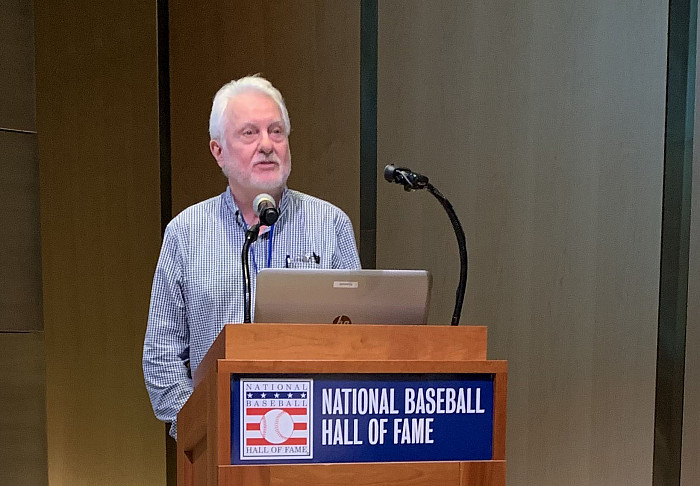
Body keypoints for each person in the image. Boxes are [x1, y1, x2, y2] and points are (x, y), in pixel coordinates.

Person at [143, 75, 361, 438]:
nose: (266, 145)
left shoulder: (331, 224)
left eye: (276, 131)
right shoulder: (185, 234)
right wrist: (203, 427)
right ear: (218, 151)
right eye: (249, 133)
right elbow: (161, 356)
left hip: (318, 438)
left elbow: (360, 339)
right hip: (217, 441)